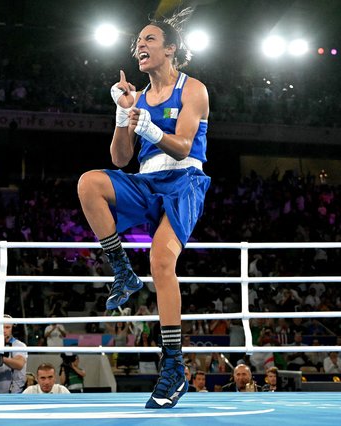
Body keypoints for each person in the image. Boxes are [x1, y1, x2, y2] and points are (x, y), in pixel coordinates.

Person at [77, 9, 210, 409]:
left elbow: (184, 145)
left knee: (162, 263)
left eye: (149, 39)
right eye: (138, 41)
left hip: (184, 181)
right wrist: (123, 112)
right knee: (90, 183)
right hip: (147, 180)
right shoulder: (138, 96)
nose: (140, 45)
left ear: (170, 49)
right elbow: (119, 159)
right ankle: (122, 272)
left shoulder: (193, 89)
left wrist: (149, 125)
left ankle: (174, 366)